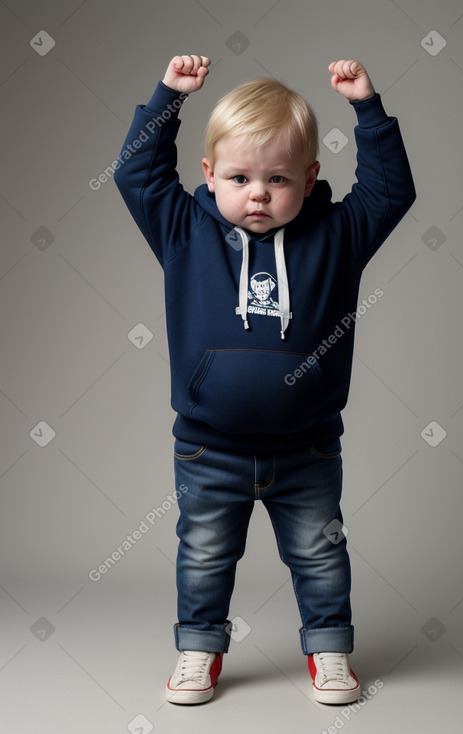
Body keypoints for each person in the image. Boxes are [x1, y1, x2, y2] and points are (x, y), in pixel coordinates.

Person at [114, 54, 415, 706]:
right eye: (240, 177)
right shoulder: (184, 232)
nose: (257, 193)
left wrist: (367, 108)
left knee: (319, 553)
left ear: (309, 180)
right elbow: (135, 173)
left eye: (277, 178)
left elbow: (390, 192)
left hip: (305, 449)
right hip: (207, 448)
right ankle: (199, 649)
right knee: (202, 556)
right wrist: (169, 96)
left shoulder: (337, 235)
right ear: (208, 176)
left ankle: (329, 651)